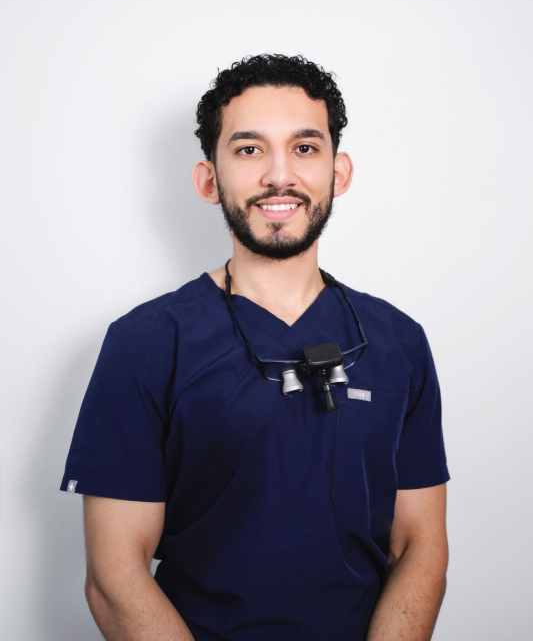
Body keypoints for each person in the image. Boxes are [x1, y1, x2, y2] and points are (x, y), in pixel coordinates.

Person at [60, 53, 450, 641]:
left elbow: (419, 543)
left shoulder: (399, 342)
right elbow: (114, 576)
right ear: (208, 179)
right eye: (248, 149)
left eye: (304, 147)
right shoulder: (146, 343)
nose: (278, 175)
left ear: (338, 172)